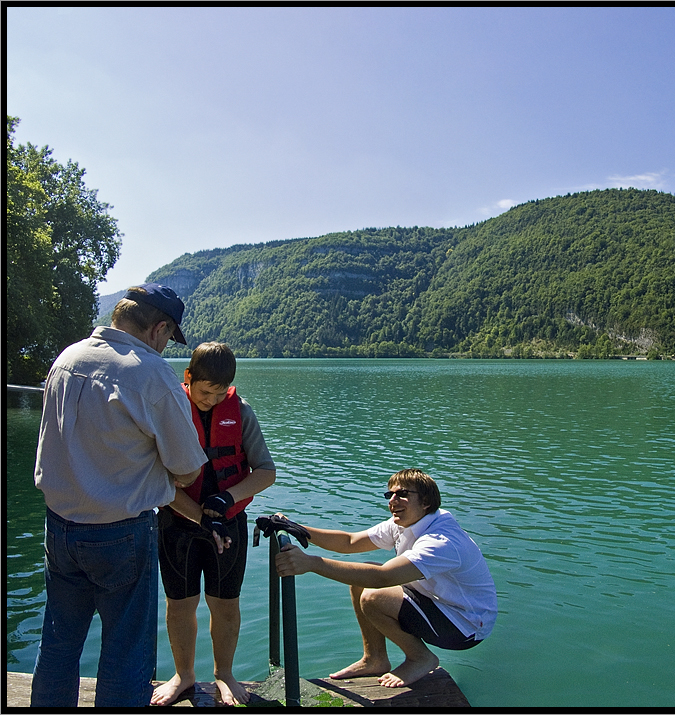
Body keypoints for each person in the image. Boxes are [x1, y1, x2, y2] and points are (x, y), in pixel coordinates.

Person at [31, 283, 211, 708]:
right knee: (126, 652)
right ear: (159, 328)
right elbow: (187, 469)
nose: (166, 346)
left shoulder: (66, 359)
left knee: (58, 643)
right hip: (120, 534)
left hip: (59, 529)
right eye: (168, 337)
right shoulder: (149, 374)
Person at [270, 469, 496, 688]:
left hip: (466, 626)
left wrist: (311, 563)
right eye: (390, 495)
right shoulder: (405, 522)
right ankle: (374, 659)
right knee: (360, 579)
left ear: (426, 502)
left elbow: (383, 577)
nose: (393, 501)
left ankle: (420, 658)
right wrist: (296, 528)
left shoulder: (440, 541)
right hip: (439, 603)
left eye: (403, 494)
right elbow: (349, 542)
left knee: (373, 596)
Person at [151, 342, 279, 706]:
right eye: (206, 392)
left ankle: (224, 673)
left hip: (230, 523)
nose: (212, 399)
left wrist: (227, 499)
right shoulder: (168, 410)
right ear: (188, 378)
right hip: (178, 523)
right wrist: (200, 517)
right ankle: (184, 675)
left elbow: (266, 472)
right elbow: (156, 480)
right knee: (180, 604)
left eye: (221, 392)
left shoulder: (241, 413)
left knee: (225, 603)